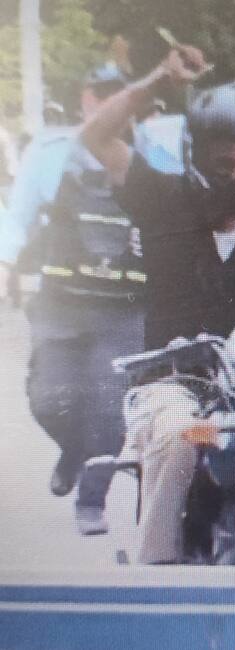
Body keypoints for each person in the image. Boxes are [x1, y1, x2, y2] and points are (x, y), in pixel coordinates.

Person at [81, 43, 235, 563]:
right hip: (167, 384)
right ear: (198, 155)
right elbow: (96, 136)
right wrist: (158, 80)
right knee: (176, 437)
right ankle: (158, 573)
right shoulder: (161, 201)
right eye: (224, 163)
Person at [0, 63, 148, 536]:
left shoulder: (156, 154)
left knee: (110, 408)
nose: (107, 105)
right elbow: (17, 218)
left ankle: (92, 500)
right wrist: (5, 263)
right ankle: (73, 449)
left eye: (118, 95)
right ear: (85, 99)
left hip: (125, 304)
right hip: (61, 302)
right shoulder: (48, 154)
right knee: (49, 399)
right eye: (98, 95)